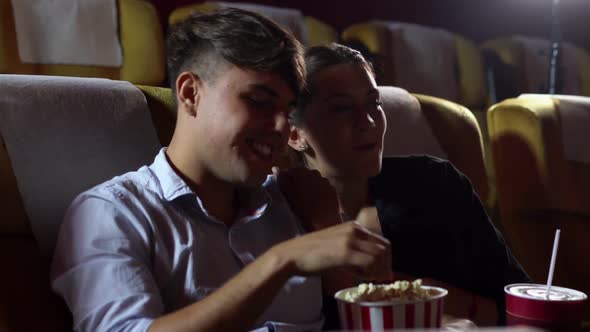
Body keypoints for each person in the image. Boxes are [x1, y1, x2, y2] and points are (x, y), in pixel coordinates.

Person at [50, 10, 390, 332]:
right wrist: (280, 262)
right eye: (259, 101)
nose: (281, 128)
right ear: (190, 93)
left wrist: (325, 223)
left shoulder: (294, 202)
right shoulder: (114, 213)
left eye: (288, 110)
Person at [284, 43, 531, 327]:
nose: (367, 122)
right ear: (294, 134)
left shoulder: (436, 184)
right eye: (341, 109)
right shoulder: (279, 215)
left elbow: (518, 302)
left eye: (373, 103)